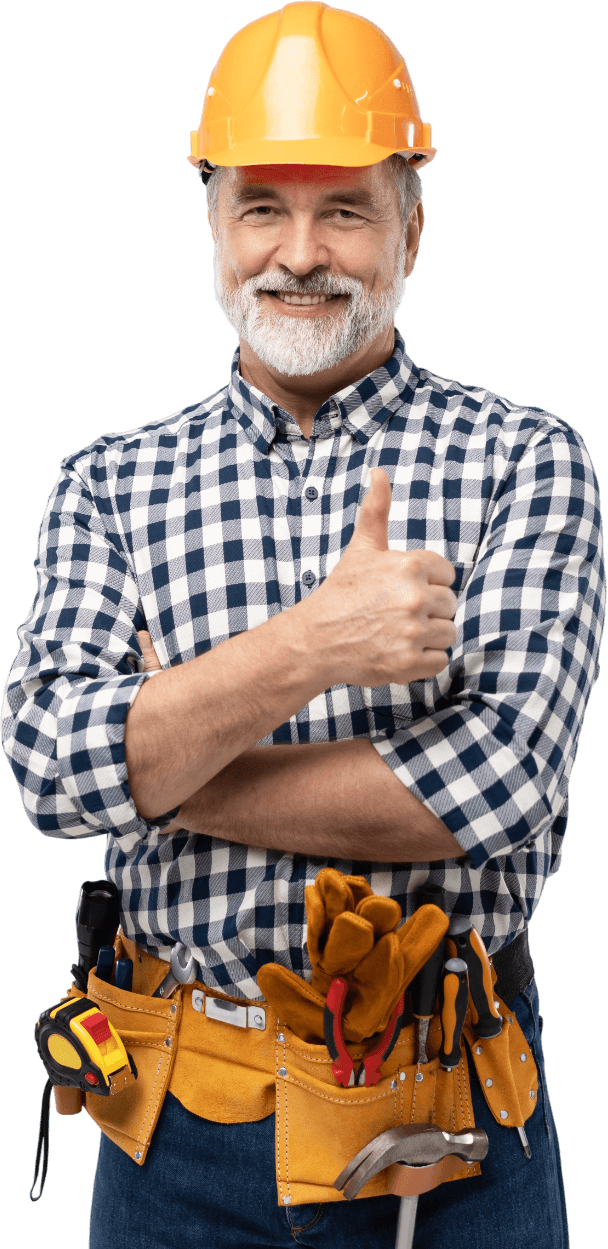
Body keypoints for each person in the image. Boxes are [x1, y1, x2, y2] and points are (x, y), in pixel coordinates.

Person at [3, 4, 603, 1246]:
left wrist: (165, 753)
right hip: (172, 1133)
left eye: (344, 207)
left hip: (452, 1139)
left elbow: (499, 786)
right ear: (212, 222)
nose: (298, 252)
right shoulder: (109, 483)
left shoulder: (524, 461)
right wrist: (314, 646)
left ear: (411, 223)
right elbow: (52, 765)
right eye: (261, 205)